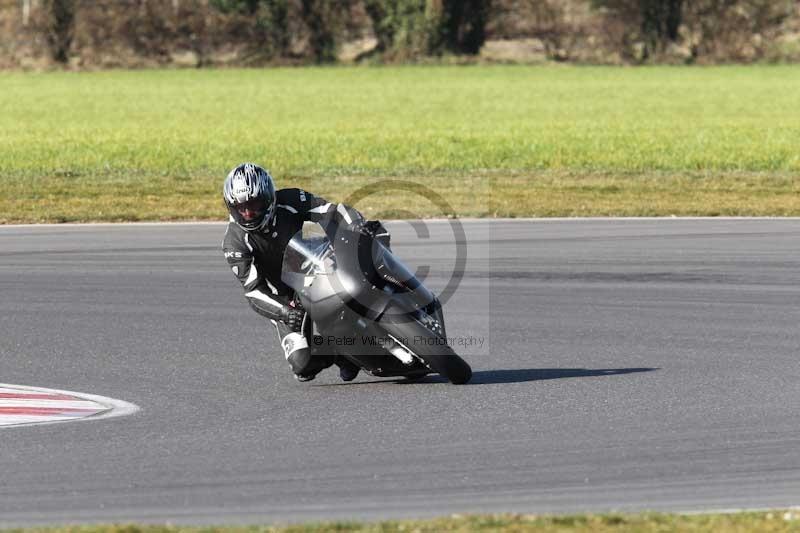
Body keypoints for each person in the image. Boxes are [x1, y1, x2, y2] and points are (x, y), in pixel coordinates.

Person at [221, 163, 389, 382]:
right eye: (240, 208)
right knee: (302, 365)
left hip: (318, 263)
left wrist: (357, 224)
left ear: (269, 198)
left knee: (370, 238)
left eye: (254, 205)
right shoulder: (234, 243)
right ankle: (343, 354)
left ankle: (392, 288)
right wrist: (283, 311)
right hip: (285, 299)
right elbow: (253, 291)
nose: (248, 213)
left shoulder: (291, 199)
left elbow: (332, 210)